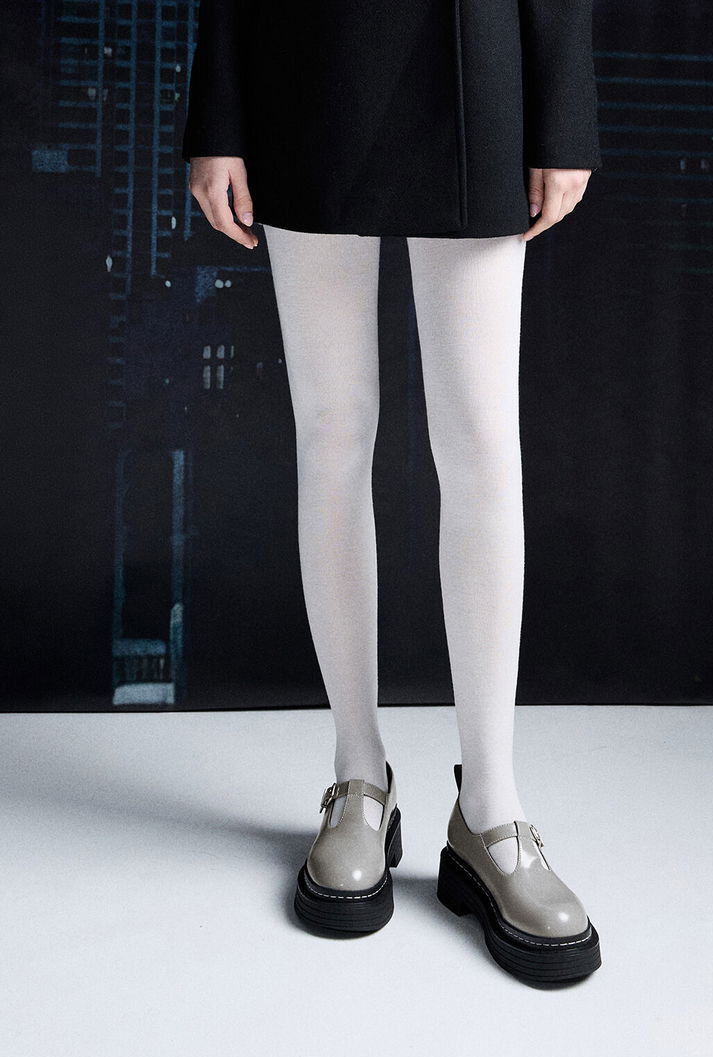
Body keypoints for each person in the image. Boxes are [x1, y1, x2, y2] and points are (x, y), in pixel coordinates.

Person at [181, 0, 603, 983]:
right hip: (307, 59)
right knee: (332, 432)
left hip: (478, 58)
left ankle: (490, 810)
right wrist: (219, 119)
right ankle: (356, 777)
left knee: (480, 442)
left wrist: (562, 113)